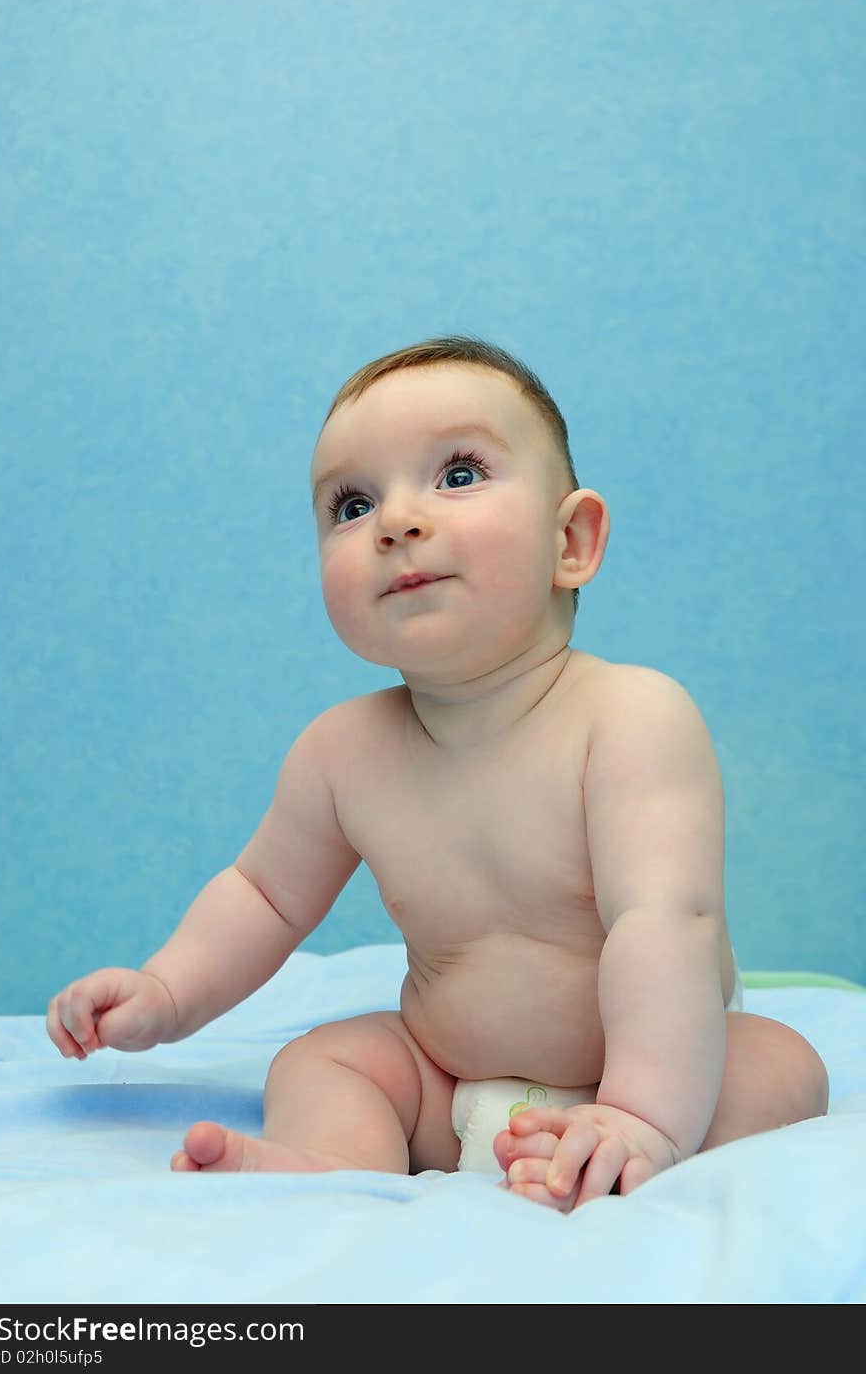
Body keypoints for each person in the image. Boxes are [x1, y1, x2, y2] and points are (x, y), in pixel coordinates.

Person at [46, 335, 829, 1212]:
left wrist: (643, 1114)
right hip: (446, 1084)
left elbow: (664, 922)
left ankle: (624, 1154)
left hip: (648, 1072)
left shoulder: (631, 718)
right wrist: (167, 991)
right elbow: (263, 895)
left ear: (571, 540)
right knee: (320, 1060)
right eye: (351, 503)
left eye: (458, 474)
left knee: (783, 1068)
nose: (396, 520)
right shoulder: (342, 751)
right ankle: (335, 1165)